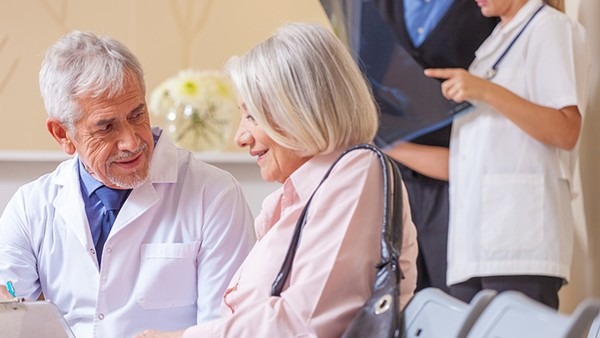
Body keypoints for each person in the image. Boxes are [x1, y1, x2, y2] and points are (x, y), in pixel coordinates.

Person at [135, 22, 418, 338]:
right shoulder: (302, 195)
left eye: (252, 116)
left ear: (301, 111)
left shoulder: (357, 173)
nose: (240, 137)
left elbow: (302, 323)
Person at [0, 31, 255, 337]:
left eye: (137, 115)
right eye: (106, 127)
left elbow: (227, 330)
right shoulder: (31, 206)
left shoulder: (214, 194)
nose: (131, 141)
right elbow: (9, 313)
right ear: (62, 134)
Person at [423, 0, 590, 309]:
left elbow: (566, 130)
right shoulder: (490, 49)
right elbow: (461, 166)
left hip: (520, 245)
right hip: (471, 251)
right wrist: (388, 144)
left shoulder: (549, 28)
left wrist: (485, 91)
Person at [370, 0, 498, 293]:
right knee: (399, 302)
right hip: (391, 178)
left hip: (459, 177)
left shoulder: (489, 8)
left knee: (459, 301)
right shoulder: (373, 8)